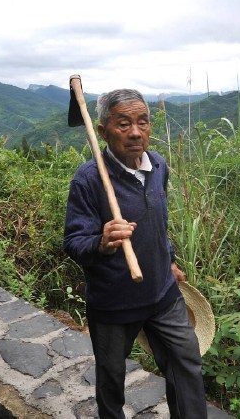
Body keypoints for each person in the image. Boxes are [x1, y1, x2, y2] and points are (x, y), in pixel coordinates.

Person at [63, 89, 207, 418]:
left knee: (186, 367)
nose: (135, 132)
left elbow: (159, 221)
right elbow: (73, 242)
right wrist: (102, 241)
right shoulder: (88, 180)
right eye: (124, 123)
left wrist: (169, 258)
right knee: (112, 380)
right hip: (114, 303)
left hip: (163, 295)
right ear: (102, 131)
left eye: (143, 122)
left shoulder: (158, 165)